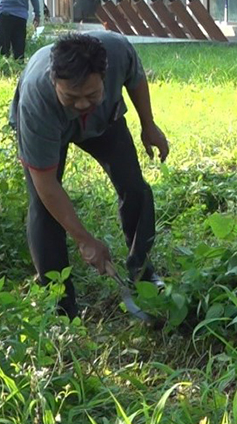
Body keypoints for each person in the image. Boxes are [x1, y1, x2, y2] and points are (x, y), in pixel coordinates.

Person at [11, 32, 169, 319]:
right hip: (50, 124)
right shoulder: (36, 100)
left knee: (135, 187)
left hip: (104, 121)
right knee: (43, 210)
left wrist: (149, 125)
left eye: (91, 95)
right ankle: (61, 307)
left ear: (105, 76)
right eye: (72, 96)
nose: (82, 104)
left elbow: (135, 79)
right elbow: (47, 185)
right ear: (54, 81)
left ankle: (142, 272)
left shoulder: (117, 52)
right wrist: (84, 239)